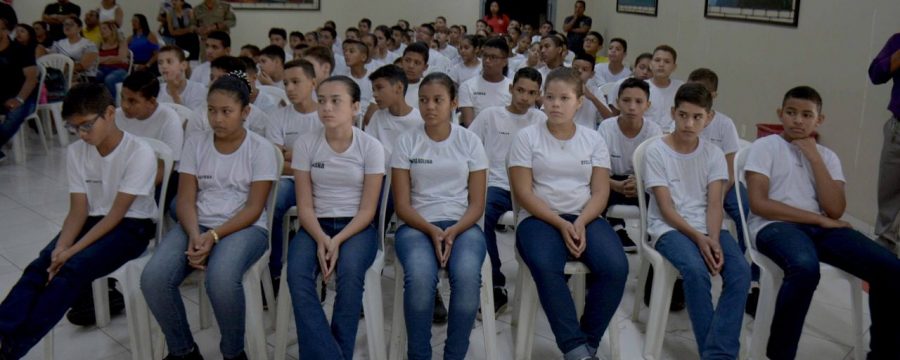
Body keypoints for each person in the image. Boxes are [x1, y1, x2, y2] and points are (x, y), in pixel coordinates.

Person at [0, 83, 157, 359]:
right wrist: (61, 246)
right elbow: (78, 210)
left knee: (72, 269)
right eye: (74, 128)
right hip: (94, 220)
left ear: (109, 113)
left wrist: (71, 252)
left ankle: (13, 348)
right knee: (42, 264)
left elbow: (117, 215)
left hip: (132, 226)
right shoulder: (77, 152)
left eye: (86, 126)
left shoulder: (139, 152)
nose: (81, 134)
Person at [745, 86, 900, 360]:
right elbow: (760, 204)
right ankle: (780, 355)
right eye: (791, 113)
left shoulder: (827, 156)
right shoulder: (765, 147)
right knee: (805, 268)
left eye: (807, 115)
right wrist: (818, 219)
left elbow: (835, 209)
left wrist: (814, 157)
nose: (798, 120)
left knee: (890, 267)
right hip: (774, 226)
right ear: (780, 114)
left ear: (819, 120)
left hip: (820, 229)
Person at [141, 73, 277, 360]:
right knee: (153, 278)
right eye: (212, 110)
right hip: (198, 224)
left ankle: (233, 352)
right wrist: (194, 235)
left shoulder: (260, 149)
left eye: (226, 111)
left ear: (245, 112)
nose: (217, 119)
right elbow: (186, 200)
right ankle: (184, 350)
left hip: (246, 227)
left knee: (221, 278)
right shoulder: (196, 144)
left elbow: (254, 208)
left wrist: (214, 236)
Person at [509, 67, 627, 360]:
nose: (555, 104)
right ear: (542, 99)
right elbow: (524, 193)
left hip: (585, 215)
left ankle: (588, 342)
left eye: (564, 98)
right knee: (547, 267)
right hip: (539, 218)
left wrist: (583, 221)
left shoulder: (593, 140)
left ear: (579, 102)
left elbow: (600, 192)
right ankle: (576, 350)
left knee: (616, 267)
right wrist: (561, 223)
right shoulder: (526, 137)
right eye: (549, 97)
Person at [391, 72, 488, 359]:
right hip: (416, 224)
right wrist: (432, 230)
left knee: (468, 276)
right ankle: (418, 355)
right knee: (420, 277)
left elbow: (477, 204)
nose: (430, 107)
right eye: (423, 100)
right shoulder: (406, 141)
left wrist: (455, 230)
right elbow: (403, 206)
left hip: (463, 224)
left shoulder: (470, 141)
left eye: (438, 100)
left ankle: (454, 354)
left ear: (454, 103)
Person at [286, 75, 384, 359]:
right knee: (297, 274)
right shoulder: (306, 144)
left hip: (356, 227)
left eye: (335, 101)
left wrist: (337, 240)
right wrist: (320, 239)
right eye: (322, 101)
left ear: (355, 107)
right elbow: (304, 206)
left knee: (351, 274)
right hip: (315, 225)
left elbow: (368, 210)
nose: (326, 108)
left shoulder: (370, 147)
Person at [468, 67, 546, 315]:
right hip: (498, 184)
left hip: (533, 187)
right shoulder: (490, 115)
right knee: (481, 216)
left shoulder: (541, 120)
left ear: (539, 95)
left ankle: (548, 278)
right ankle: (495, 284)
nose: (524, 97)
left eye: (532, 93)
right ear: (511, 89)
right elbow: (467, 147)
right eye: (520, 90)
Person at [265, 59, 321, 280]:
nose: (289, 88)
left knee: (328, 209)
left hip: (322, 181)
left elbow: (328, 161)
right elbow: (275, 159)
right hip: (290, 179)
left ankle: (318, 272)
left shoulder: (325, 115)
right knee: (273, 203)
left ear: (313, 83)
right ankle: (274, 272)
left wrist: (290, 154)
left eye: (296, 82)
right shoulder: (279, 116)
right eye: (286, 83)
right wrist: (305, 160)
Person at [597, 78, 662, 253]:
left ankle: (655, 250)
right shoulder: (606, 127)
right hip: (610, 182)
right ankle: (599, 246)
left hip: (642, 183)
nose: (632, 107)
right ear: (617, 102)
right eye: (626, 101)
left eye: (639, 101)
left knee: (661, 200)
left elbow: (657, 172)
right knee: (593, 196)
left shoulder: (654, 131)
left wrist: (640, 184)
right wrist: (614, 185)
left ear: (647, 105)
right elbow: (597, 171)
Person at [186, 56, 271, 137]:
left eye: (221, 78)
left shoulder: (256, 116)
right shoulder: (199, 115)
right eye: (212, 78)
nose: (213, 83)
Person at [869, 33, 900, 249]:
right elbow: (876, 74)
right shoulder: (898, 41)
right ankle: (885, 256)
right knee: (889, 196)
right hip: (898, 129)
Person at [0, 18, 39, 164]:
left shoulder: (21, 51)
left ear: (5, 31)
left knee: (14, 116)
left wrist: (19, 99)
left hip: (23, 96)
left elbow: (31, 79)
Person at [459, 37, 512, 126]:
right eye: (485, 56)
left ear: (505, 61)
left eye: (493, 57)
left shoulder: (513, 87)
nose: (487, 61)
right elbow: (470, 125)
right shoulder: (467, 86)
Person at [645, 45, 684, 132]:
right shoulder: (640, 87)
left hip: (673, 136)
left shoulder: (681, 88)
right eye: (657, 60)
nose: (661, 64)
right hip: (646, 135)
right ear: (651, 64)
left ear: (674, 67)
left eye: (667, 61)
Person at [157, 44, 207, 109]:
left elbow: (193, 118)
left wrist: (174, 95)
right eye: (160, 63)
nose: (164, 66)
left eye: (169, 62)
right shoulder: (157, 90)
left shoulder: (198, 89)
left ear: (183, 65)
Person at [50, 16, 99, 82]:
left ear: (79, 28)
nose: (67, 27)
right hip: (60, 75)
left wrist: (62, 68)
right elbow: (51, 61)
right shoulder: (58, 44)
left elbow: (83, 66)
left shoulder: (89, 45)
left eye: (71, 24)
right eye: (65, 24)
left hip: (84, 77)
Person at [96, 21, 129, 99]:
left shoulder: (121, 42)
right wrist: (110, 58)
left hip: (119, 69)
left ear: (112, 30)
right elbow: (96, 60)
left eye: (104, 28)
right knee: (92, 76)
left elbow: (122, 59)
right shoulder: (99, 44)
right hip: (102, 69)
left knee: (109, 79)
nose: (101, 31)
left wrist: (104, 59)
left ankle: (114, 102)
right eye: (100, 29)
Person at [342, 39, 374, 118]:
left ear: (363, 57)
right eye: (345, 51)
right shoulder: (343, 80)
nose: (346, 54)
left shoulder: (374, 77)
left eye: (351, 51)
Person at [400, 42, 429, 110]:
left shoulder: (429, 89)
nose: (411, 66)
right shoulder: (389, 84)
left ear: (425, 67)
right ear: (401, 61)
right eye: (407, 60)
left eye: (417, 63)